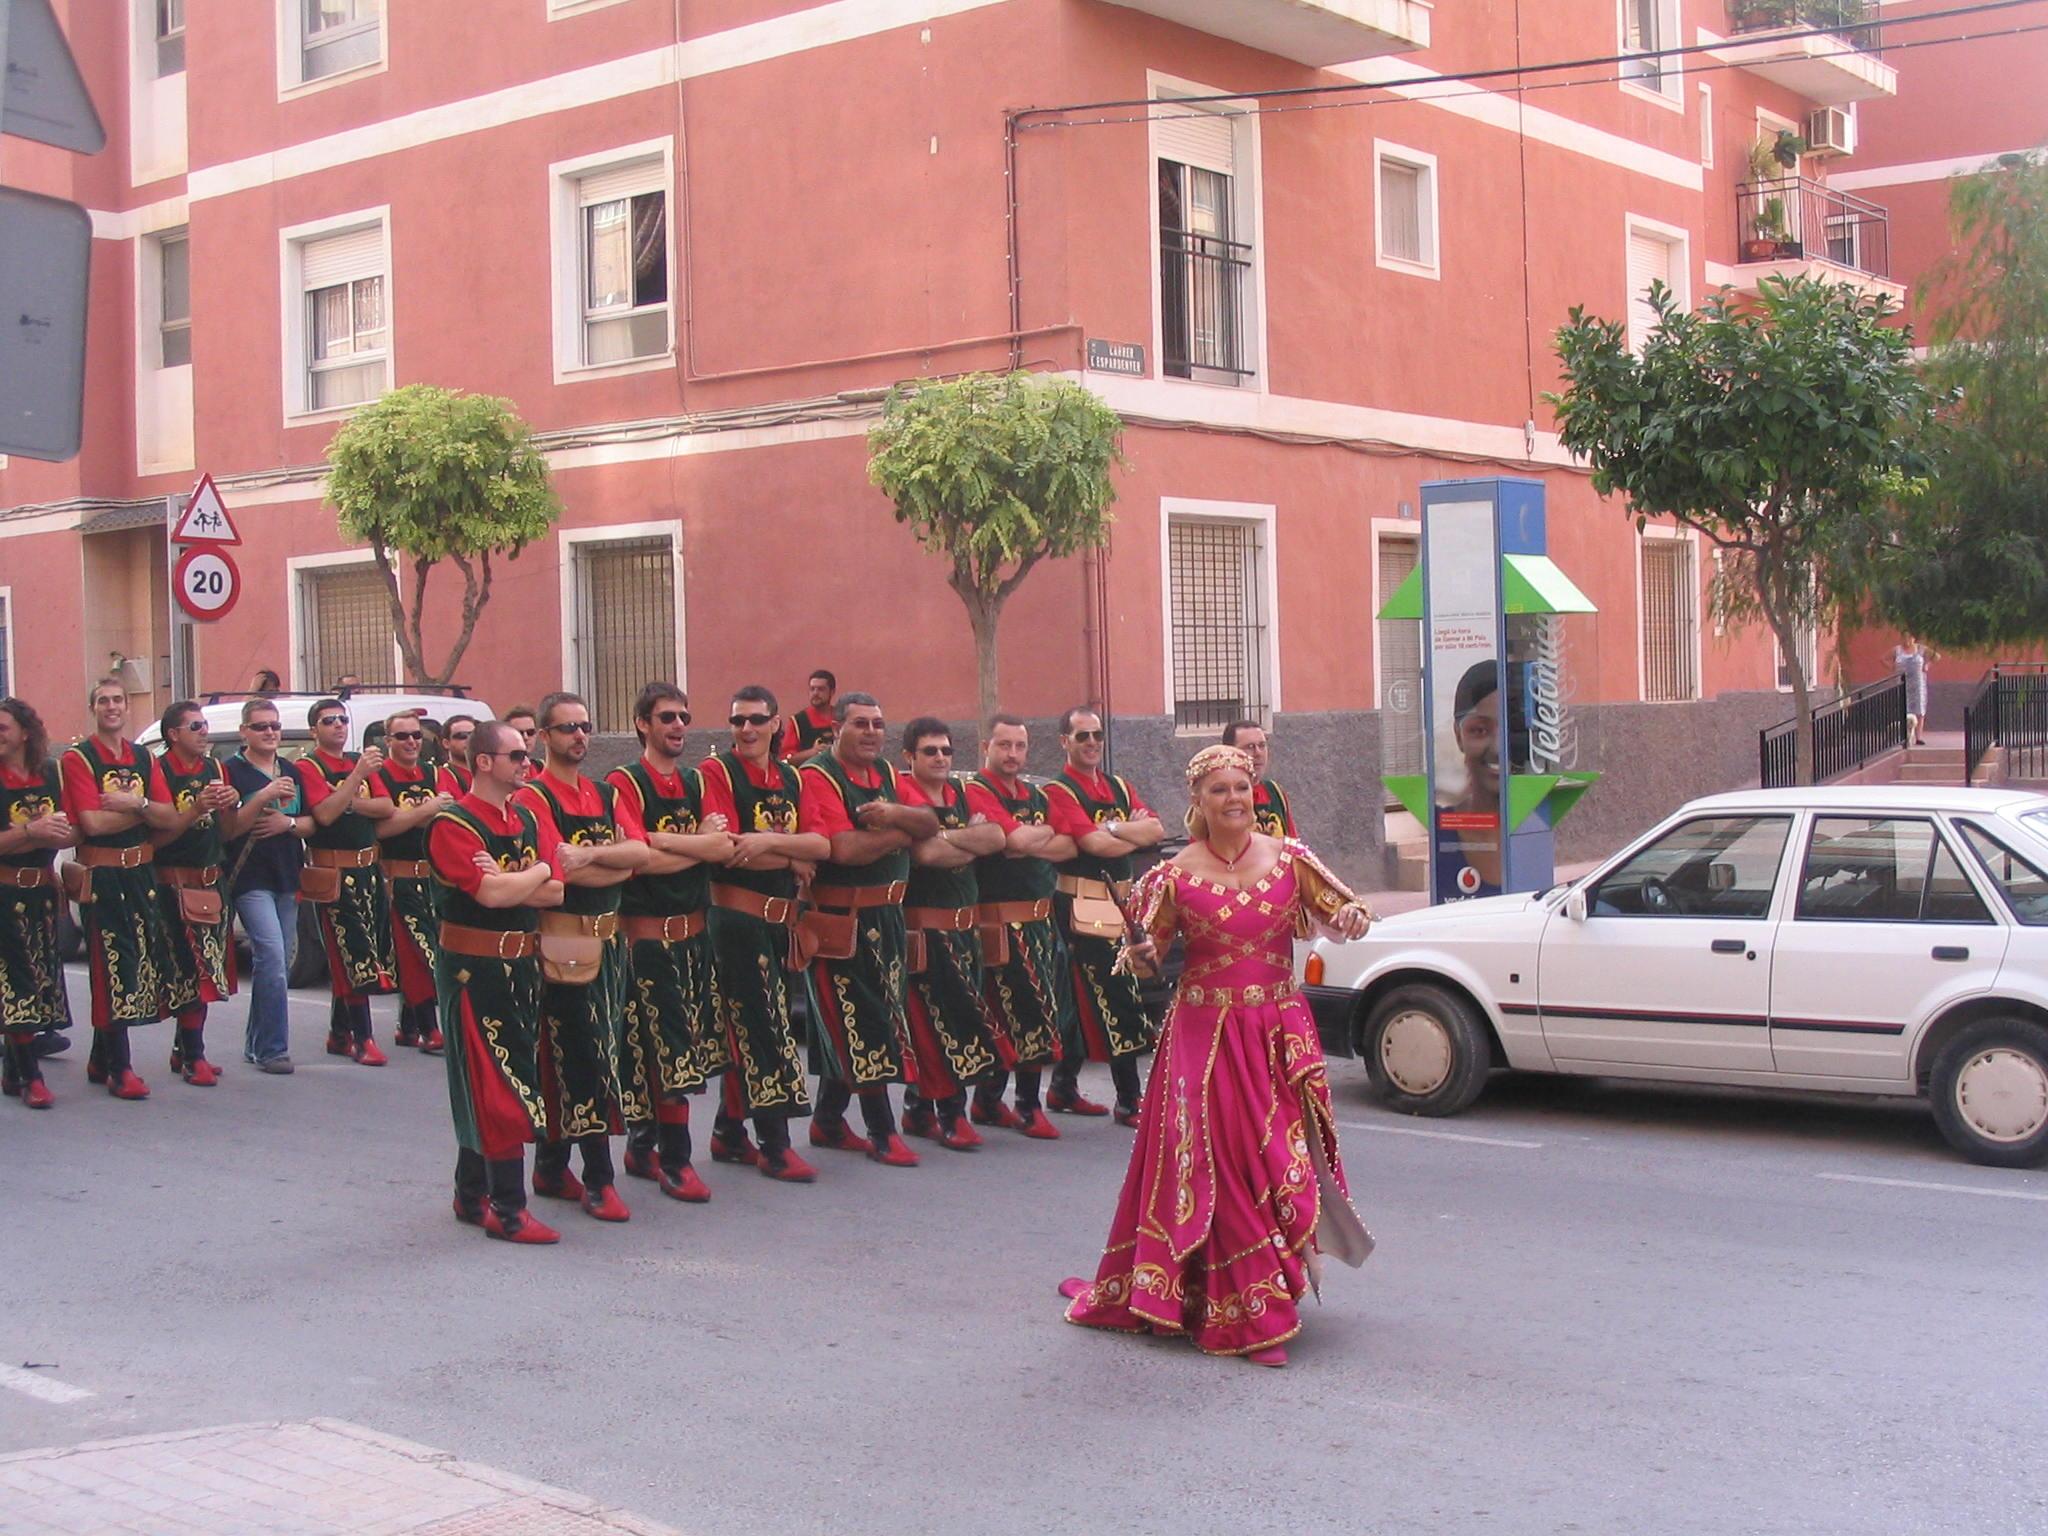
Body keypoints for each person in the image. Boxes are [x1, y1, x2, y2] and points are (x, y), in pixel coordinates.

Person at [1060, 744, 1375, 1365]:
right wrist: (1142, 955)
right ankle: (1248, 1310)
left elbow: (1341, 912)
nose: (1234, 799)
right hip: (1203, 1038)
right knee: (1220, 1165)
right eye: (1220, 790)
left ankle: (1268, 1289)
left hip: (1278, 1031)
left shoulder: (1291, 858)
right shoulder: (1173, 875)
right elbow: (1149, 944)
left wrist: (1357, 917)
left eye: (1242, 787)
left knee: (1278, 1157)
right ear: (1197, 803)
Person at [429, 719, 566, 1244]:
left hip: (521, 966)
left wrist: (520, 879)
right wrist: (532, 874)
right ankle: (508, 1210)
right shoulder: (453, 823)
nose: (525, 762)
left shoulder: (527, 816)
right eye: (514, 755)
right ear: (484, 762)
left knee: (504, 1078)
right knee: (493, 1083)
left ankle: (470, 1193)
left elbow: (558, 889)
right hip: (473, 969)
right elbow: (490, 895)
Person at [514, 691, 649, 1222]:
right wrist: (606, 863)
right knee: (582, 1054)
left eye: (585, 726)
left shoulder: (605, 791)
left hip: (610, 941)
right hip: (562, 941)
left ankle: (550, 1164)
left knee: (605, 1052)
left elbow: (639, 855)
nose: (579, 736)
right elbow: (555, 872)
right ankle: (598, 1177)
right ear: (543, 737)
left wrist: (593, 855)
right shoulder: (534, 798)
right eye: (567, 727)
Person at [797, 692, 940, 1167]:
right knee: (864, 1022)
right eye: (861, 724)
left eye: (878, 724)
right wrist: (903, 834)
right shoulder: (818, 776)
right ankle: (882, 1131)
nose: (872, 732)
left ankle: (828, 1121)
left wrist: (896, 817)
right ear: (837, 727)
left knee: (869, 1017)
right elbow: (843, 850)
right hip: (844, 922)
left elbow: (929, 821)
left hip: (888, 919)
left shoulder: (888, 777)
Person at [610, 684, 736, 1203]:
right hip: (645, 943)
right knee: (659, 1055)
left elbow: (723, 846)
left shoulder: (694, 780)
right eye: (667, 717)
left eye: (684, 716)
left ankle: (647, 1149)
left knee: (686, 1050)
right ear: (643, 724)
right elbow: (634, 858)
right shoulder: (624, 783)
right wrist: (692, 845)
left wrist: (663, 842)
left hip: (694, 938)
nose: (678, 725)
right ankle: (673, 1159)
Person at [699, 687, 826, 1182]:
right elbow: (729, 848)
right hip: (735, 922)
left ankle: (730, 1132)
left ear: (776, 724)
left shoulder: (794, 777)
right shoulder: (716, 773)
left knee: (751, 1028)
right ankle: (774, 1144)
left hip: (780, 920)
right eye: (737, 721)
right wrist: (792, 854)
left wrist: (776, 845)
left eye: (756, 720)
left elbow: (821, 844)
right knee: (764, 1027)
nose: (746, 729)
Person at [1043, 707, 1163, 1127]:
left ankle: (1062, 1085)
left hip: (1123, 906)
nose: (1092, 743)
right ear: (1065, 742)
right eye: (1082, 736)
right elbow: (1093, 845)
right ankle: (1130, 1099)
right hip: (1082, 908)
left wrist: (1110, 832)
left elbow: (1155, 830)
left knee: (1079, 1000)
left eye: (1096, 735)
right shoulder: (1059, 791)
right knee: (1119, 996)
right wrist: (1119, 831)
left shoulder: (1118, 785)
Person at [61, 677, 181, 1099]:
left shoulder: (145, 758)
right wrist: (148, 813)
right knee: (114, 965)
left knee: (138, 966)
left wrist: (136, 805)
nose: (111, 707)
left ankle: (100, 1057)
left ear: (128, 706)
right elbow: (91, 823)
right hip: (105, 876)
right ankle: (120, 1067)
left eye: (118, 700)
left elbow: (168, 815)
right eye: (103, 701)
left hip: (141, 876)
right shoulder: (80, 758)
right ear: (94, 708)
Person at [898, 716, 1007, 1150]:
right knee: (940, 1025)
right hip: (926, 932)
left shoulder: (963, 792)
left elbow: (997, 836)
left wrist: (952, 837)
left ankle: (917, 1110)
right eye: (930, 751)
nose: (941, 758)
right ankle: (951, 1113)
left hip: (967, 930)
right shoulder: (905, 795)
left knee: (959, 1019)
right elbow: (924, 852)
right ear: (910, 756)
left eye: (946, 750)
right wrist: (968, 835)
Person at [963, 714, 1073, 1140]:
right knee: (1018, 1015)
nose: (1013, 754)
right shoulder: (975, 790)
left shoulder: (1035, 793)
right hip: (999, 923)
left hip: (1041, 921)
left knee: (1040, 1013)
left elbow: (1067, 845)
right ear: (985, 745)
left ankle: (994, 1101)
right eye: (1004, 745)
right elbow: (1010, 841)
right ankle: (1021, 1105)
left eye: (1020, 746)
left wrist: (1033, 836)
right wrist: (1036, 837)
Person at [295, 698, 397, 1063]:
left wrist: (348, 802)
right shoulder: (308, 766)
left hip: (368, 869)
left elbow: (386, 807)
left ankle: (339, 1033)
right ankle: (362, 1036)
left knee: (369, 948)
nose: (337, 725)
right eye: (328, 721)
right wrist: (355, 782)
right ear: (314, 730)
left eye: (341, 719)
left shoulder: (359, 760)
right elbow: (322, 813)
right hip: (334, 872)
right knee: (352, 952)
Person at [150, 701, 245, 1086]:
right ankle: (194, 1055)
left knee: (210, 967)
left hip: (211, 880)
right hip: (174, 881)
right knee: (188, 970)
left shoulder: (215, 768)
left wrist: (230, 804)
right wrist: (194, 808)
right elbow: (158, 836)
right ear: (173, 734)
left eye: (204, 726)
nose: (204, 732)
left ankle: (185, 1049)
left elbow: (227, 832)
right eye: (195, 726)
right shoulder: (159, 769)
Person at [222, 698, 308, 1074]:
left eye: (274, 726)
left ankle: (256, 1043)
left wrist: (287, 825)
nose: (270, 732)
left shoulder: (291, 769)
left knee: (277, 964)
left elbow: (311, 822)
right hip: (250, 878)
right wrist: (262, 797)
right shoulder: (231, 772)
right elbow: (229, 830)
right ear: (245, 732)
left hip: (288, 875)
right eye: (260, 727)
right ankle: (274, 1049)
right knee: (271, 958)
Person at [0, 696, 75, 1109]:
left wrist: (59, 834)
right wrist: (32, 831)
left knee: (42, 979)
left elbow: (69, 830)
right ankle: (31, 1076)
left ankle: (13, 1070)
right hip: (5, 892)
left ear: (24, 733)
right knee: (19, 982)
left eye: (3, 728)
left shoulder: (49, 774)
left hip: (43, 891)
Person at [372, 710, 455, 1054]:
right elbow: (384, 827)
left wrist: (411, 816)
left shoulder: (436, 773)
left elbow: (451, 814)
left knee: (428, 950)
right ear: (388, 741)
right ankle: (428, 1027)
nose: (410, 743)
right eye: (402, 736)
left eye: (416, 736)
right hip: (399, 879)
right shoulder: (381, 775)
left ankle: (407, 1026)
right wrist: (425, 812)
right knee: (419, 954)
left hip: (433, 878)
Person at [1435, 662, 1503, 900]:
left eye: (1508, 729)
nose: (1497, 747)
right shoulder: (1440, 828)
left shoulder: (1532, 825)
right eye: (1480, 731)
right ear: (1458, 735)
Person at [1222, 720, 1296, 839]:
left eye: (1262, 745)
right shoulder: (1217, 796)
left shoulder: (1275, 792)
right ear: (1229, 752)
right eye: (1250, 747)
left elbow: (1293, 845)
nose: (1258, 753)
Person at [780, 669, 838, 764]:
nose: (815, 693)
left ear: (832, 692)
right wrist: (813, 752)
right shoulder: (797, 721)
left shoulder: (842, 717)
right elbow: (785, 759)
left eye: (821, 689)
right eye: (812, 689)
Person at [1894, 636, 1934, 747]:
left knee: (1919, 709)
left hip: (1918, 682)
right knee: (1904, 707)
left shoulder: (1921, 649)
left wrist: (1927, 665)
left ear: (1914, 638)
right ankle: (1905, 736)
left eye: (1909, 638)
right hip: (1903, 682)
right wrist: (1894, 669)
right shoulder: (1897, 650)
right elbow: (1883, 659)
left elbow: (1936, 656)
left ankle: (1918, 737)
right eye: (1904, 638)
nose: (1907, 641)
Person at [438, 714, 477, 796]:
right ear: (446, 743)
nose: (469, 740)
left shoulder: (488, 771)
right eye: (462, 736)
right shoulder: (443, 775)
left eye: (473, 735)